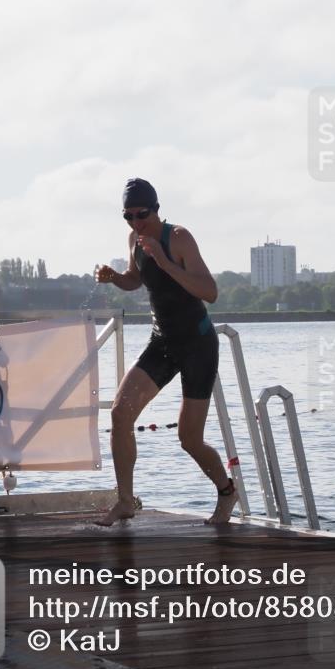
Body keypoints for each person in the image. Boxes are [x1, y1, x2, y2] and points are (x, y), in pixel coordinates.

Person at [93, 178, 237, 526]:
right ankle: (126, 501)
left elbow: (210, 291)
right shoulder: (135, 240)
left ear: (155, 209)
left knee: (189, 438)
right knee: (120, 413)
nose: (135, 223)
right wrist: (114, 277)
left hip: (198, 345)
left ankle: (227, 491)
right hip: (163, 341)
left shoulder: (179, 238)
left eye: (140, 214)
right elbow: (136, 278)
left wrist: (164, 260)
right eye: (127, 216)